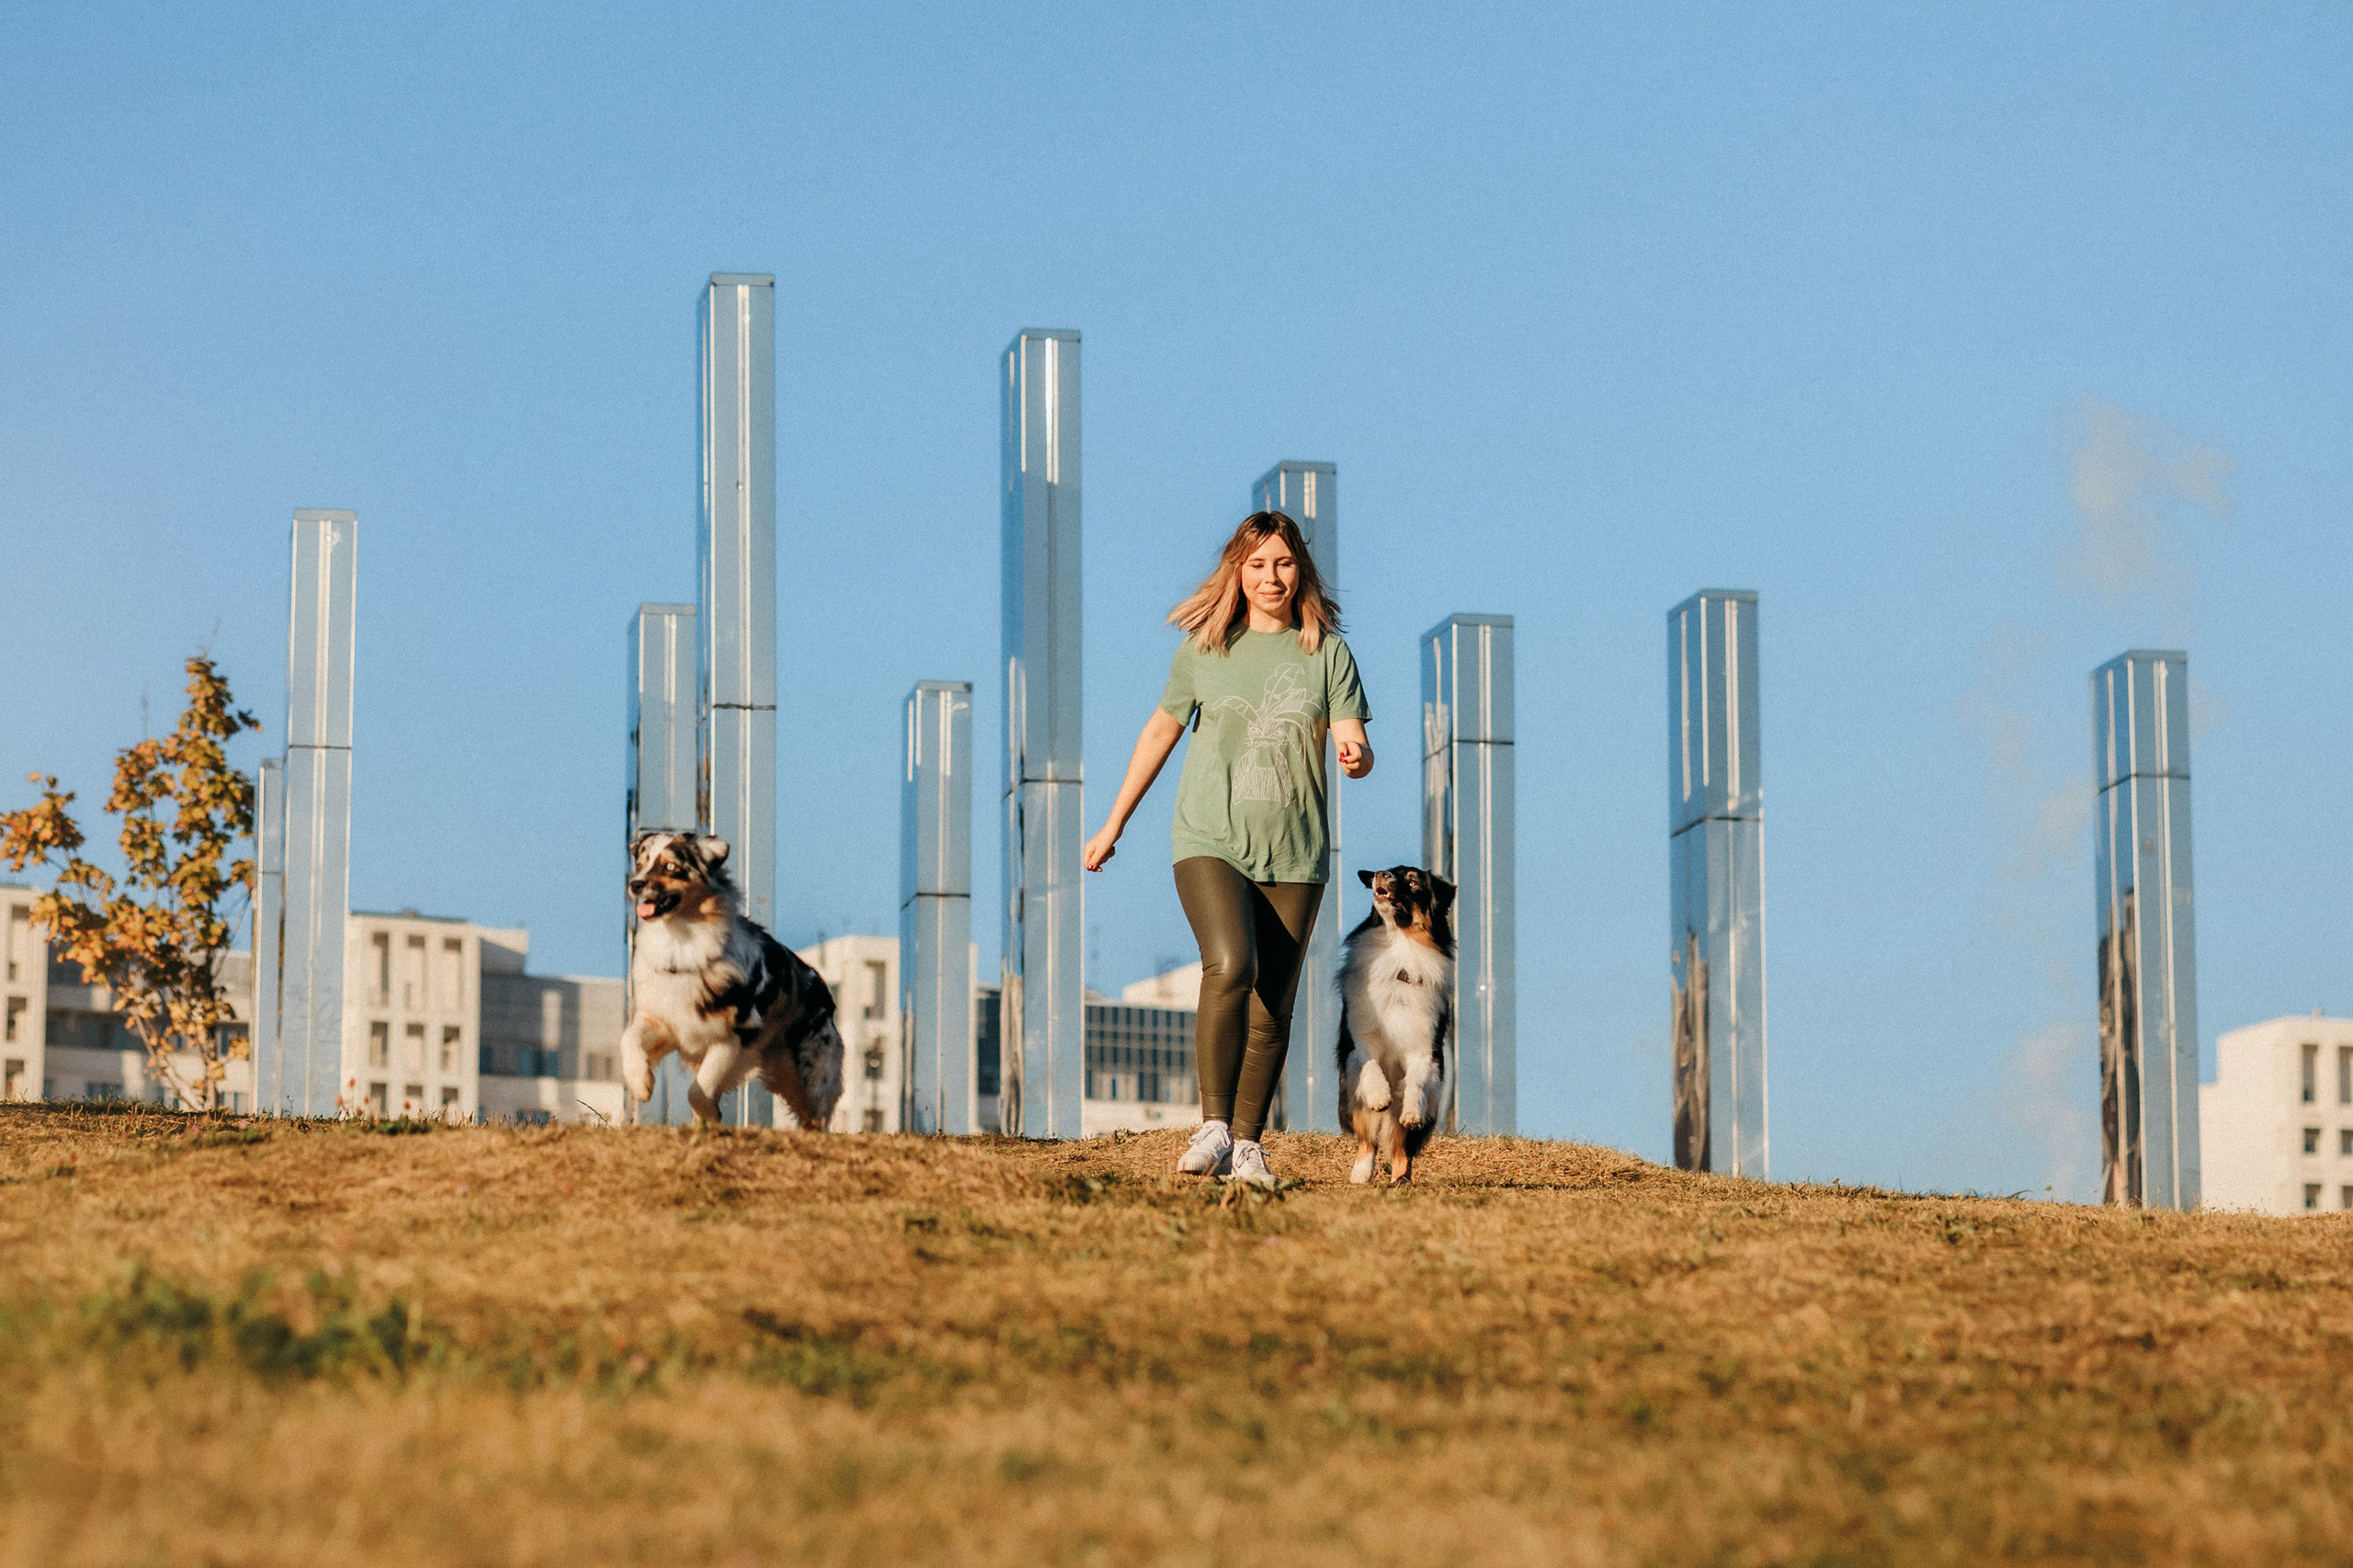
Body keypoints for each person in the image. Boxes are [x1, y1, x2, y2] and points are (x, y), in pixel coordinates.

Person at [1082, 511, 1372, 1186]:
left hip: (1297, 851)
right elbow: (1159, 733)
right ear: (1237, 572)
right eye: (1258, 565)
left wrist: (1355, 755)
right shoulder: (1204, 648)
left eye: (1284, 564)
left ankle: (1247, 1144)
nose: (1272, 577)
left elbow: (1351, 735)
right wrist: (1113, 824)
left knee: (1273, 1002)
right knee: (1230, 962)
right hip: (1209, 837)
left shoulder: (1325, 651)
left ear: (1301, 571)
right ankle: (1213, 1125)